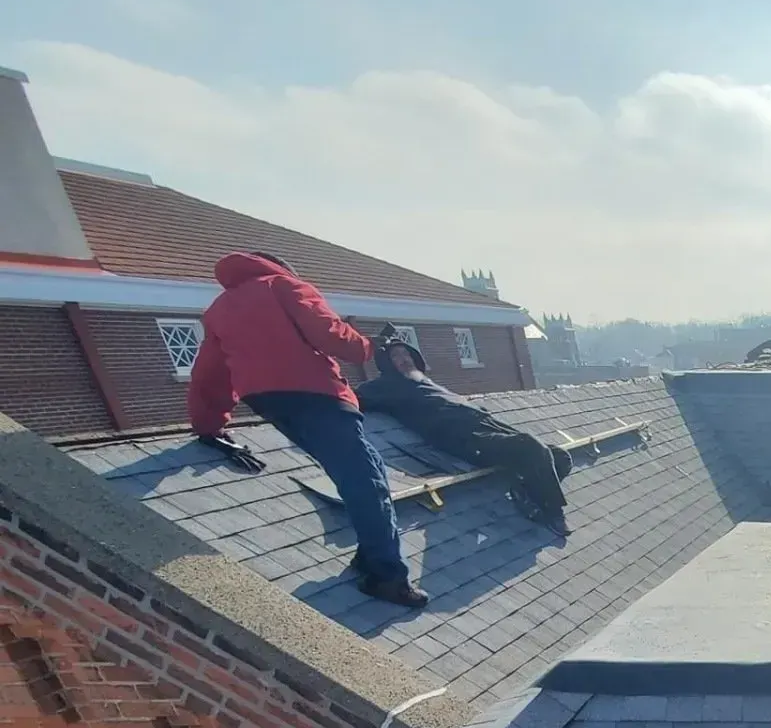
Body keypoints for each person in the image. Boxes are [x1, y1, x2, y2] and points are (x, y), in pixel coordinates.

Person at [187, 252, 427, 608]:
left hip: (270, 403)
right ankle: (385, 576)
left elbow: (209, 374)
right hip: (317, 396)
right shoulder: (285, 285)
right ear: (283, 268)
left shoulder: (220, 309)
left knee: (366, 470)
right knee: (367, 482)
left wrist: (209, 426)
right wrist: (367, 346)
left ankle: (370, 553)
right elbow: (331, 336)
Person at [357, 329, 570, 535]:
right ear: (387, 364)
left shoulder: (422, 380)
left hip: (485, 422)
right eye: (396, 356)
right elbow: (351, 398)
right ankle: (554, 511)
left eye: (406, 353)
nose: (404, 359)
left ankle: (525, 491)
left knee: (560, 456)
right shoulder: (385, 386)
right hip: (462, 436)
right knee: (530, 445)